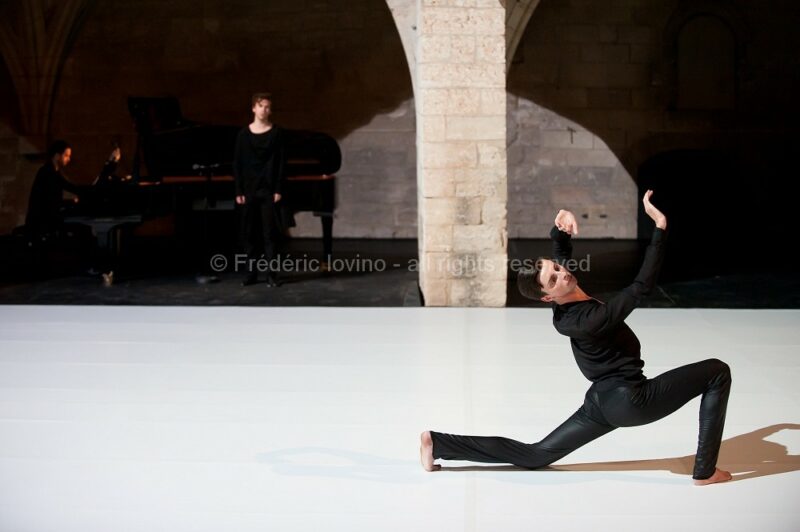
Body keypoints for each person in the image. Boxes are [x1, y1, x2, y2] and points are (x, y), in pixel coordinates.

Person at [420, 190, 733, 486]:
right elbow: (641, 288)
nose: (563, 273)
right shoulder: (586, 321)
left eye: (557, 268)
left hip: (601, 400)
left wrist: (561, 228)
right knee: (717, 372)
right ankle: (704, 471)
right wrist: (660, 229)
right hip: (631, 400)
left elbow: (561, 251)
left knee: (536, 455)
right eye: (554, 278)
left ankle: (439, 444)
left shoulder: (567, 296)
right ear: (547, 298)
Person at [234, 92, 286, 287]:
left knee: (269, 234)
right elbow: (237, 164)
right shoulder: (243, 135)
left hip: (268, 190)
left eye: (268, 107)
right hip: (248, 191)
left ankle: (272, 275)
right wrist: (238, 190)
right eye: (261, 106)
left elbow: (281, 162)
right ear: (254, 108)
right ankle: (251, 274)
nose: (265, 110)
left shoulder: (276, 133)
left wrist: (278, 188)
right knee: (249, 234)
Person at [25, 140, 82, 240]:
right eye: (66, 155)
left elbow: (70, 187)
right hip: (41, 223)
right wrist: (72, 202)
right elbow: (52, 202)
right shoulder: (47, 173)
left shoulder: (54, 172)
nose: (69, 159)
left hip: (46, 220)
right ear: (57, 156)